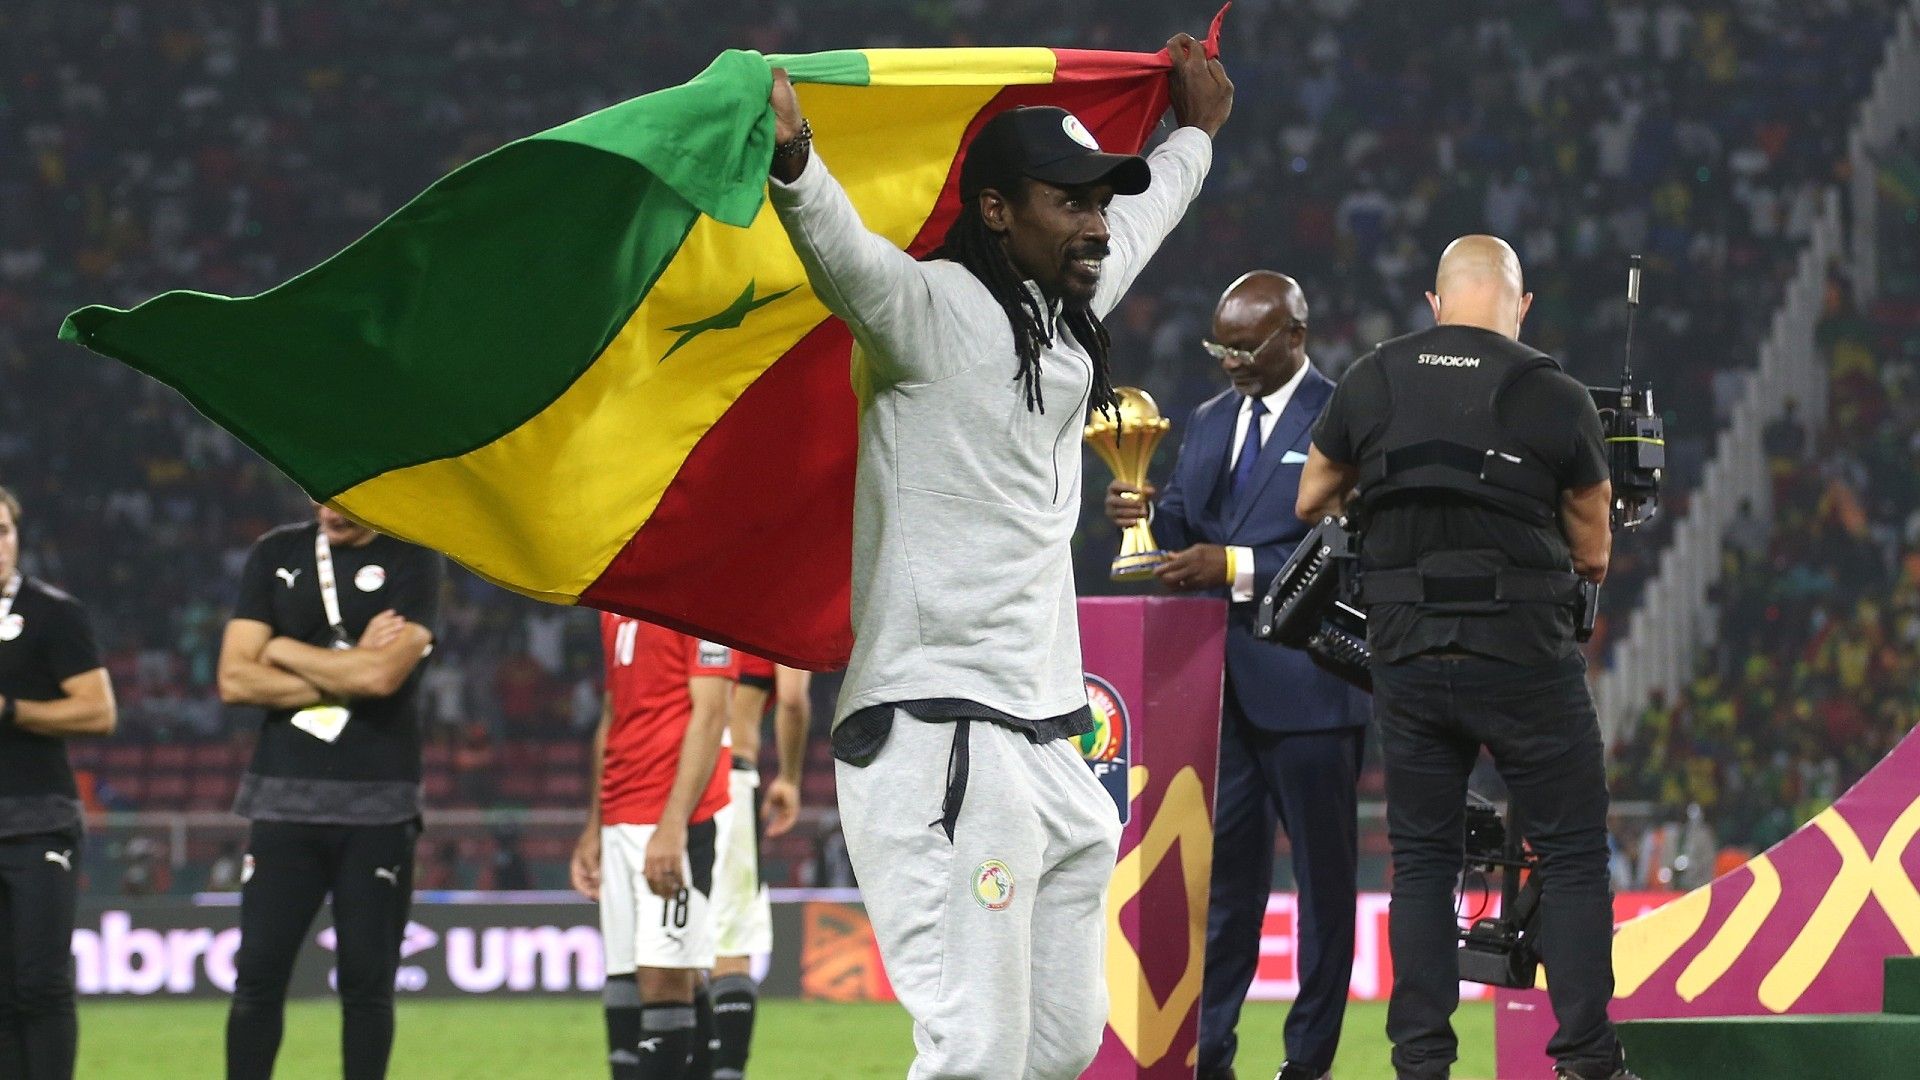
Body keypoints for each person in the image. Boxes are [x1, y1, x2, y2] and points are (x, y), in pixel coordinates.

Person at [765, 30, 1231, 1080]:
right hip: (939, 735)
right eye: (1069, 201)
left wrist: (1194, 136)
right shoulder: (924, 313)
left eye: (1097, 201)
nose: (1097, 222)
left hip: (1046, 740)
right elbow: (839, 250)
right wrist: (796, 160)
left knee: (1061, 1048)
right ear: (995, 211)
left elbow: (1146, 218)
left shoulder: (1062, 322)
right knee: (975, 1052)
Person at [1296, 235, 1635, 1080]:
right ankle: (1587, 1060)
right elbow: (1593, 554)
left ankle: (1422, 1064)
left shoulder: (1371, 378)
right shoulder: (1555, 395)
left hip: (1408, 660)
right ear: (1519, 307)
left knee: (1420, 862)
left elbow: (1312, 498)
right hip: (1524, 662)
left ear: (1435, 303)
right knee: (1571, 855)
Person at [1105, 272, 1359, 1080]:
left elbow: (1353, 553)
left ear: (1295, 334)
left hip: (1313, 691)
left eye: (1247, 348)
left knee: (1323, 897)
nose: (1231, 363)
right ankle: (1208, 1054)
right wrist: (1137, 512)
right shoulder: (1211, 421)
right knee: (1222, 894)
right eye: (1222, 348)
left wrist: (1237, 564)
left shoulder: (1345, 418)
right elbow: (1179, 521)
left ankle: (1306, 1065)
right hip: (1219, 695)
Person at [217, 503, 441, 1080]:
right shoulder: (275, 553)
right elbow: (234, 678)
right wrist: (348, 667)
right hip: (282, 801)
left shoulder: (413, 556)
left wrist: (284, 649)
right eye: (318, 497)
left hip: (378, 804)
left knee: (368, 985)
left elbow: (379, 677)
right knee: (257, 980)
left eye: (342, 498)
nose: (328, 510)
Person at [571, 615, 739, 1080]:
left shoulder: (703, 602)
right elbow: (612, 712)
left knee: (665, 977)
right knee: (626, 975)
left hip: (675, 816)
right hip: (619, 812)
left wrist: (672, 826)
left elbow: (711, 714)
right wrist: (595, 823)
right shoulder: (615, 606)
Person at [0, 484, 116, 1080]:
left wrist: (11, 711)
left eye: (3, 532)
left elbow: (98, 711)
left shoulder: (53, 613)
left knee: (40, 984)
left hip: (37, 818)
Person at [707, 654, 811, 1080]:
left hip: (660, 773)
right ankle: (727, 1071)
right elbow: (791, 699)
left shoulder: (679, 599)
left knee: (668, 945)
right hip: (727, 776)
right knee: (729, 943)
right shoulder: (770, 605)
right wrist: (789, 777)